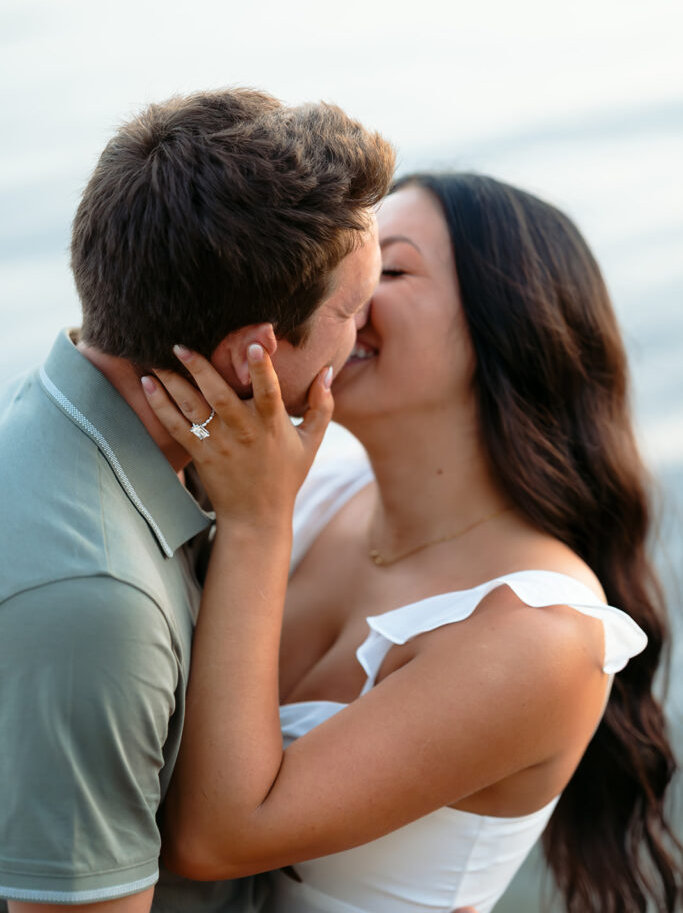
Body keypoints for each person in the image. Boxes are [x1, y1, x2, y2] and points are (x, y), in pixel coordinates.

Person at [146, 174, 682, 912]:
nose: (341, 295)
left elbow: (214, 839)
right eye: (341, 266)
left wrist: (256, 524)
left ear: (511, 322)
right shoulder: (319, 483)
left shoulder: (538, 634)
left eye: (388, 270)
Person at [0, 87, 396, 912]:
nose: (367, 329)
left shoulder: (55, 419)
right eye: (350, 309)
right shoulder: (97, 601)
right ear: (250, 355)